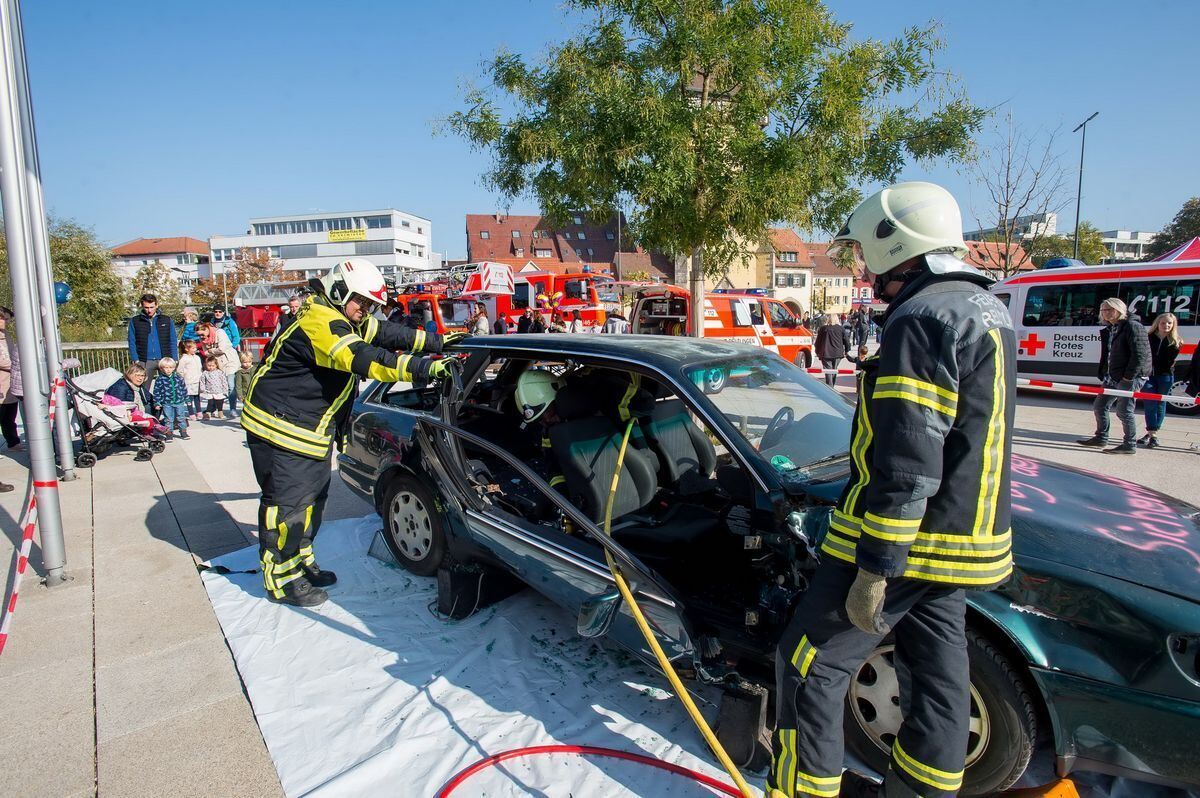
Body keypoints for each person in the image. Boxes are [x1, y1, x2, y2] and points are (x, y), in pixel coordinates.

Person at [768, 182, 1017, 798]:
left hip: (906, 541)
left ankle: (804, 791)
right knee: (938, 673)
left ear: (894, 243)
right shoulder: (985, 307)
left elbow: (908, 456)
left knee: (811, 664)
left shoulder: (923, 317)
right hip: (961, 541)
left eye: (863, 250)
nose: (860, 264)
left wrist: (877, 563)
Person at [242, 258, 456, 607]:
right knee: (287, 507)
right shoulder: (321, 321)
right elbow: (366, 359)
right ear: (340, 290)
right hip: (281, 428)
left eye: (371, 305)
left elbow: (387, 333)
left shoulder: (342, 316)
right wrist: (425, 368)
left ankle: (301, 562)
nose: (366, 311)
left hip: (307, 429)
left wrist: (437, 343)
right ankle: (281, 579)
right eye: (363, 302)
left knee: (311, 503)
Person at [1076, 297, 1150, 454]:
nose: (1105, 313)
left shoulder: (1132, 326)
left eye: (1109, 310)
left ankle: (1129, 445)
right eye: (1103, 310)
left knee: (1124, 411)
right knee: (1100, 406)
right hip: (1113, 376)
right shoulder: (1112, 327)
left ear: (1119, 309)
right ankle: (1101, 437)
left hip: (1128, 377)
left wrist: (1128, 377)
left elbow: (1140, 355)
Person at [1140, 312, 1181, 449]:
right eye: (1163, 323)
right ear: (1157, 324)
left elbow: (1168, 362)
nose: (1166, 325)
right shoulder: (1148, 337)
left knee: (1160, 404)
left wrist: (1176, 348)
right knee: (1150, 403)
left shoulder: (1175, 341)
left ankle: (1152, 432)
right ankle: (1153, 434)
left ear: (1173, 325)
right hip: (1148, 375)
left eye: (1170, 323)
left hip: (1166, 376)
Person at [127, 293, 178, 381]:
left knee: (169, 387)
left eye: (152, 307)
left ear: (156, 305)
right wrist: (135, 359)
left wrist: (174, 358)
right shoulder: (135, 321)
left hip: (165, 359)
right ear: (142, 306)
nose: (149, 310)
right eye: (146, 307)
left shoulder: (166, 320)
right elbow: (132, 341)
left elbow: (173, 340)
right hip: (144, 360)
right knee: (144, 388)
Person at [198, 320, 241, 416]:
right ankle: (214, 407)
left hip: (229, 361)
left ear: (207, 329)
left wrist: (211, 350)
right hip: (217, 363)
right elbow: (205, 352)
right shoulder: (202, 339)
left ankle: (232, 408)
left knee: (230, 385)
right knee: (215, 386)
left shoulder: (219, 332)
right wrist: (212, 351)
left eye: (202, 334)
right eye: (199, 335)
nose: (201, 337)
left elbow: (222, 348)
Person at [152, 357, 190, 439]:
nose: (168, 370)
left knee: (181, 418)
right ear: (161, 368)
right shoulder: (160, 379)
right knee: (168, 419)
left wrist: (187, 399)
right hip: (167, 403)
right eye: (166, 367)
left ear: (174, 368)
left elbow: (183, 388)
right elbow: (156, 392)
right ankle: (169, 434)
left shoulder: (178, 377)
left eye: (170, 367)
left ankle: (183, 432)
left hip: (179, 402)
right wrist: (157, 402)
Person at [814, 313, 849, 386]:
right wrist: (847, 350)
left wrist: (817, 351)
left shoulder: (823, 328)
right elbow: (846, 340)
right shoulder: (841, 328)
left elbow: (818, 341)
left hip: (826, 353)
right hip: (837, 353)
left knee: (828, 371)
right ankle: (832, 385)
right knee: (834, 370)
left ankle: (830, 386)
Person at [178, 340, 202, 419]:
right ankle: (191, 413)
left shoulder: (197, 357)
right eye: (193, 348)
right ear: (187, 349)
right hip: (188, 382)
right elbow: (179, 370)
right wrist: (183, 378)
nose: (195, 349)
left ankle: (199, 412)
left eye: (195, 348)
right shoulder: (184, 359)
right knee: (189, 398)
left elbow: (200, 368)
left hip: (197, 381)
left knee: (197, 397)